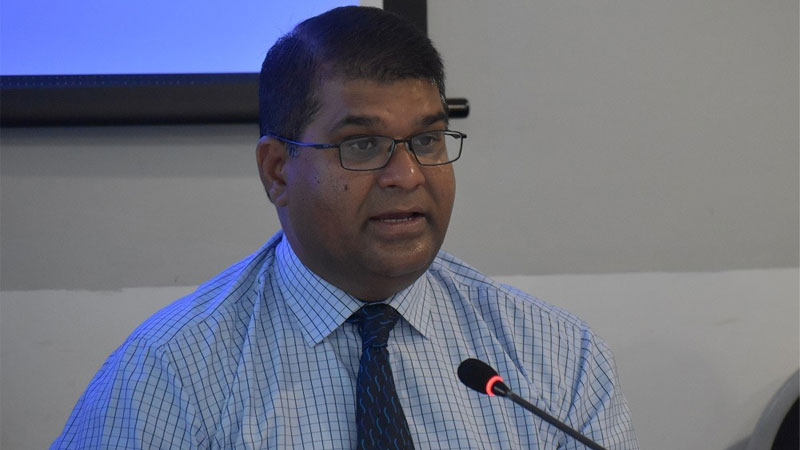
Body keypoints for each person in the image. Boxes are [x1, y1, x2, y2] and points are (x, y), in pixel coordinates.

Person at [52, 6, 638, 449]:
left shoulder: (555, 355)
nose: (407, 175)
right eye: (362, 145)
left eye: (427, 140)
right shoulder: (170, 373)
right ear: (277, 171)